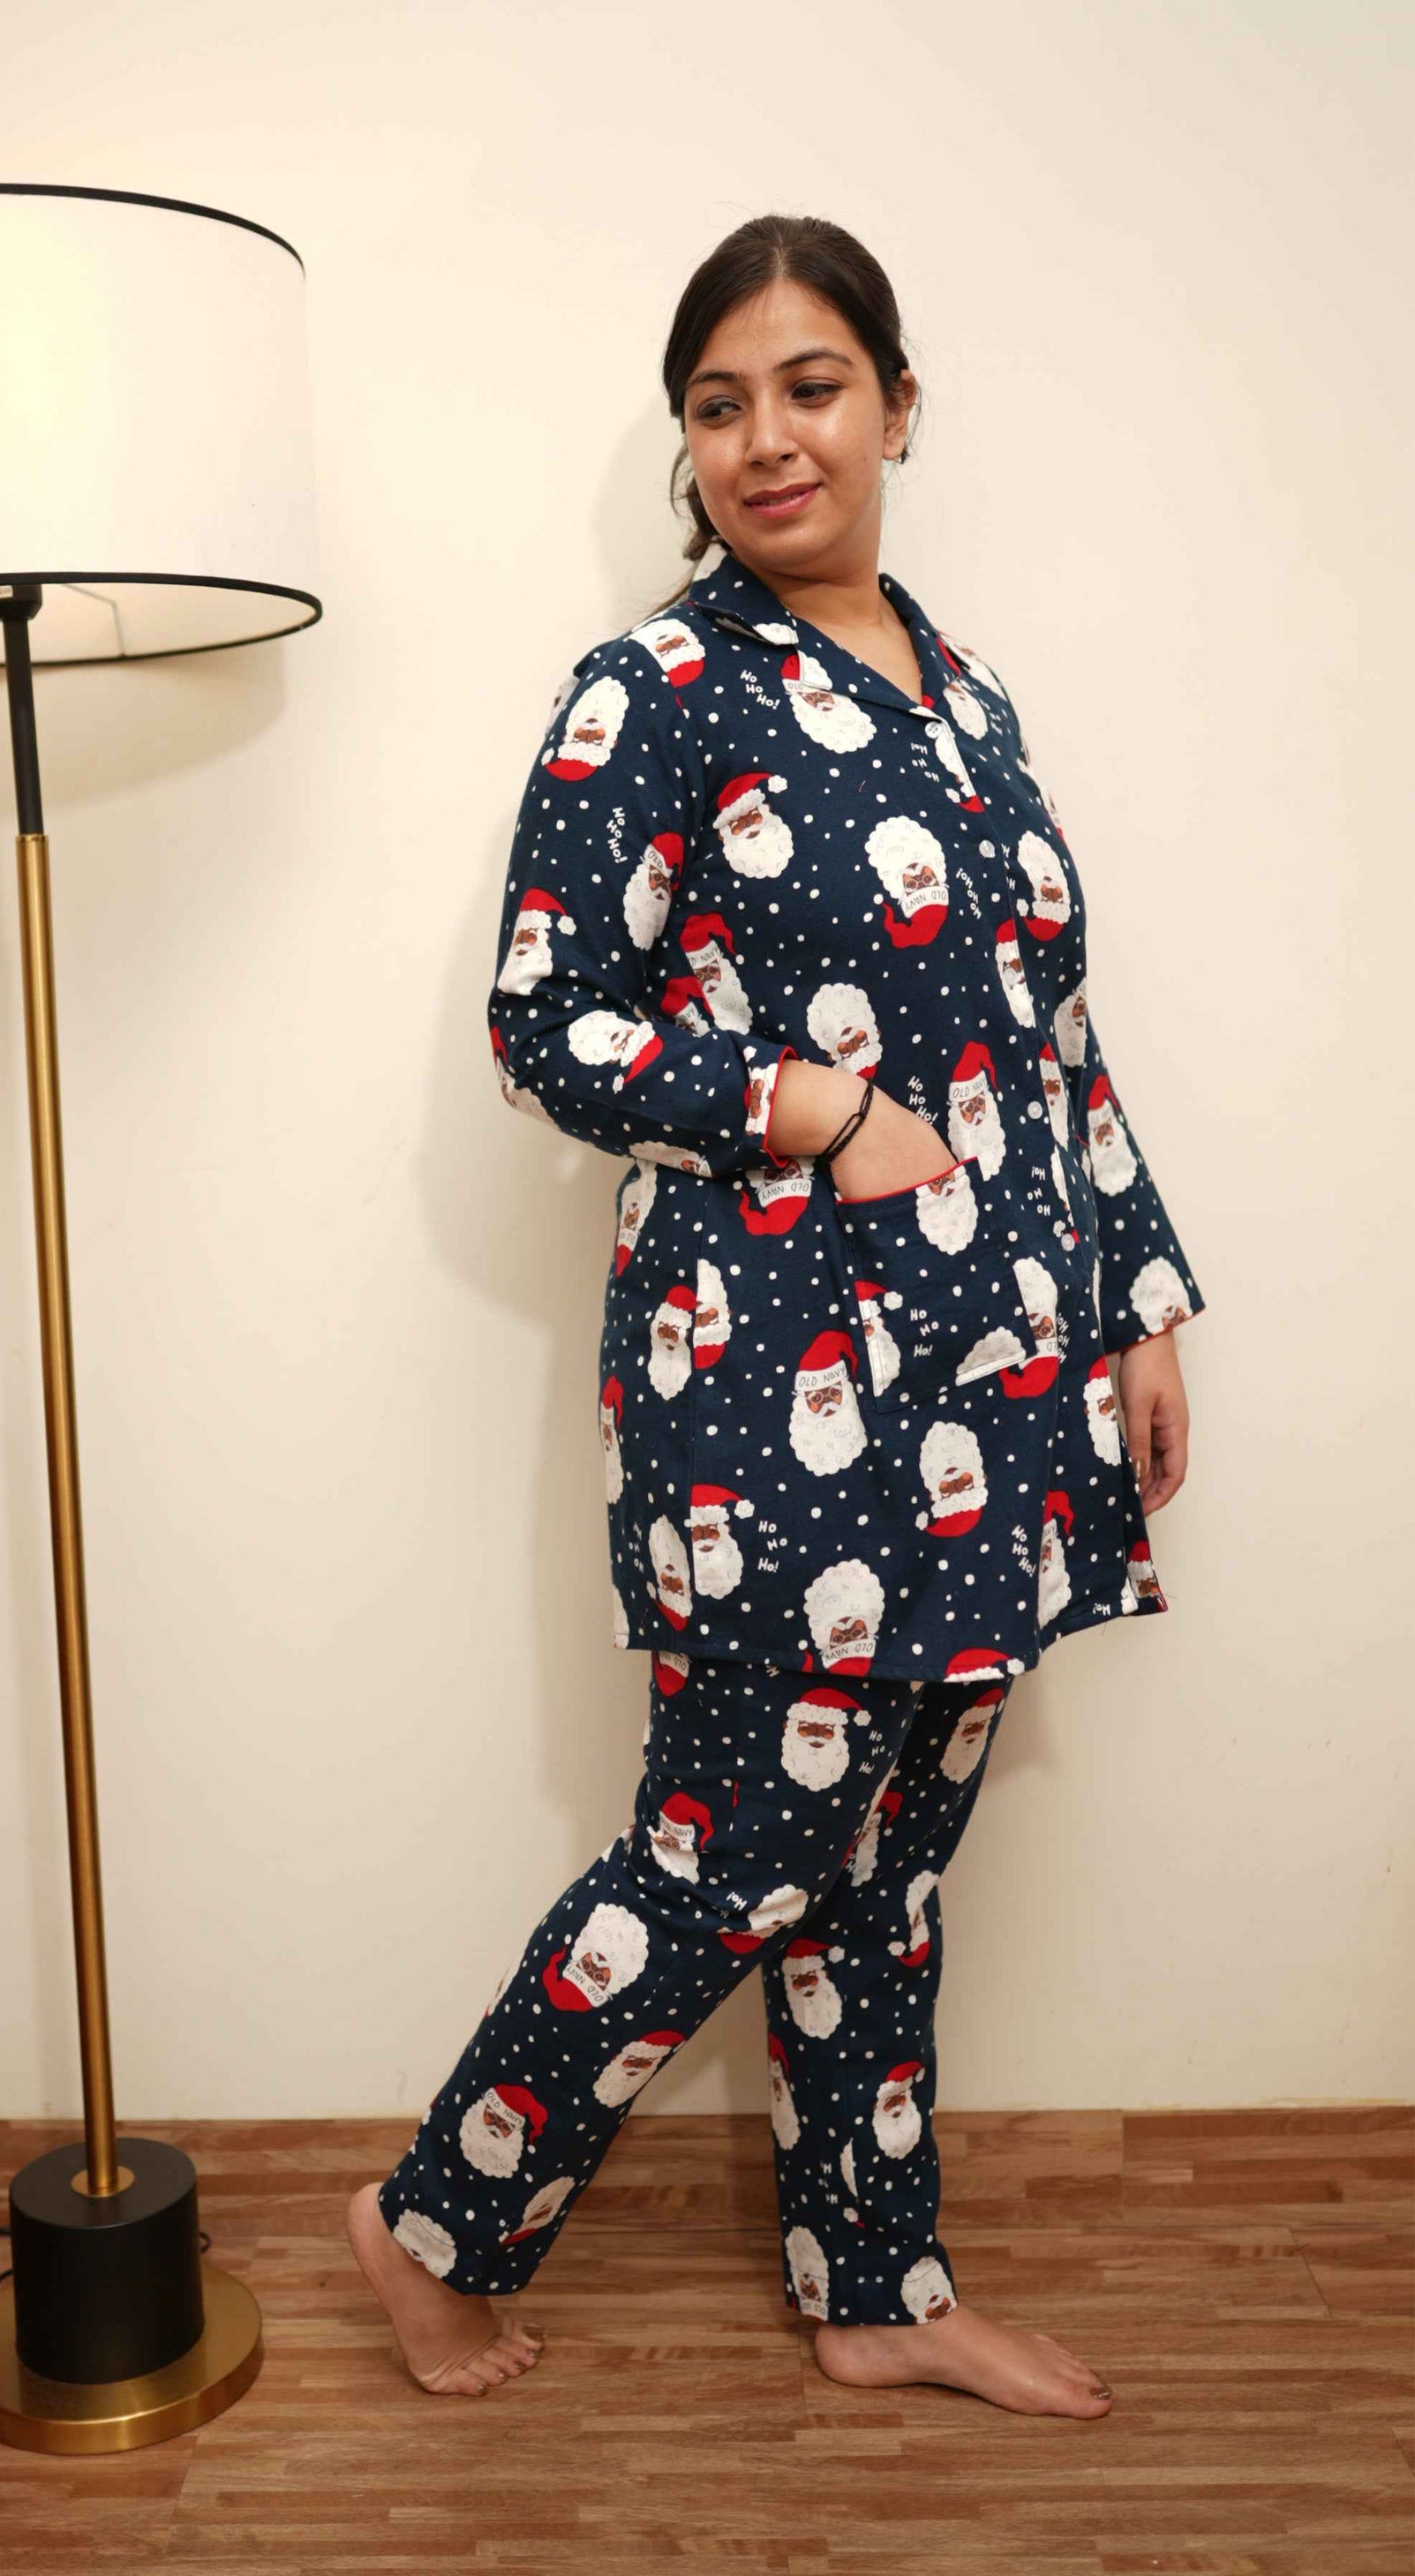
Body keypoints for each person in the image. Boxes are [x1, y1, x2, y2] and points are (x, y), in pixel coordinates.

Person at [348, 213, 1204, 2413]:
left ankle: (873, 2286)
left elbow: (1050, 1039)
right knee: (731, 1848)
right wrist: (801, 1101)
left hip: (1005, 1366)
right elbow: (546, 1018)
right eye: (717, 403)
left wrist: (1138, 1306)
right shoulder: (649, 691)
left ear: (897, 405)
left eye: (809, 386)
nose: (764, 438)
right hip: (769, 1379)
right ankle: (434, 2217)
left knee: (889, 1862)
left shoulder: (968, 699)